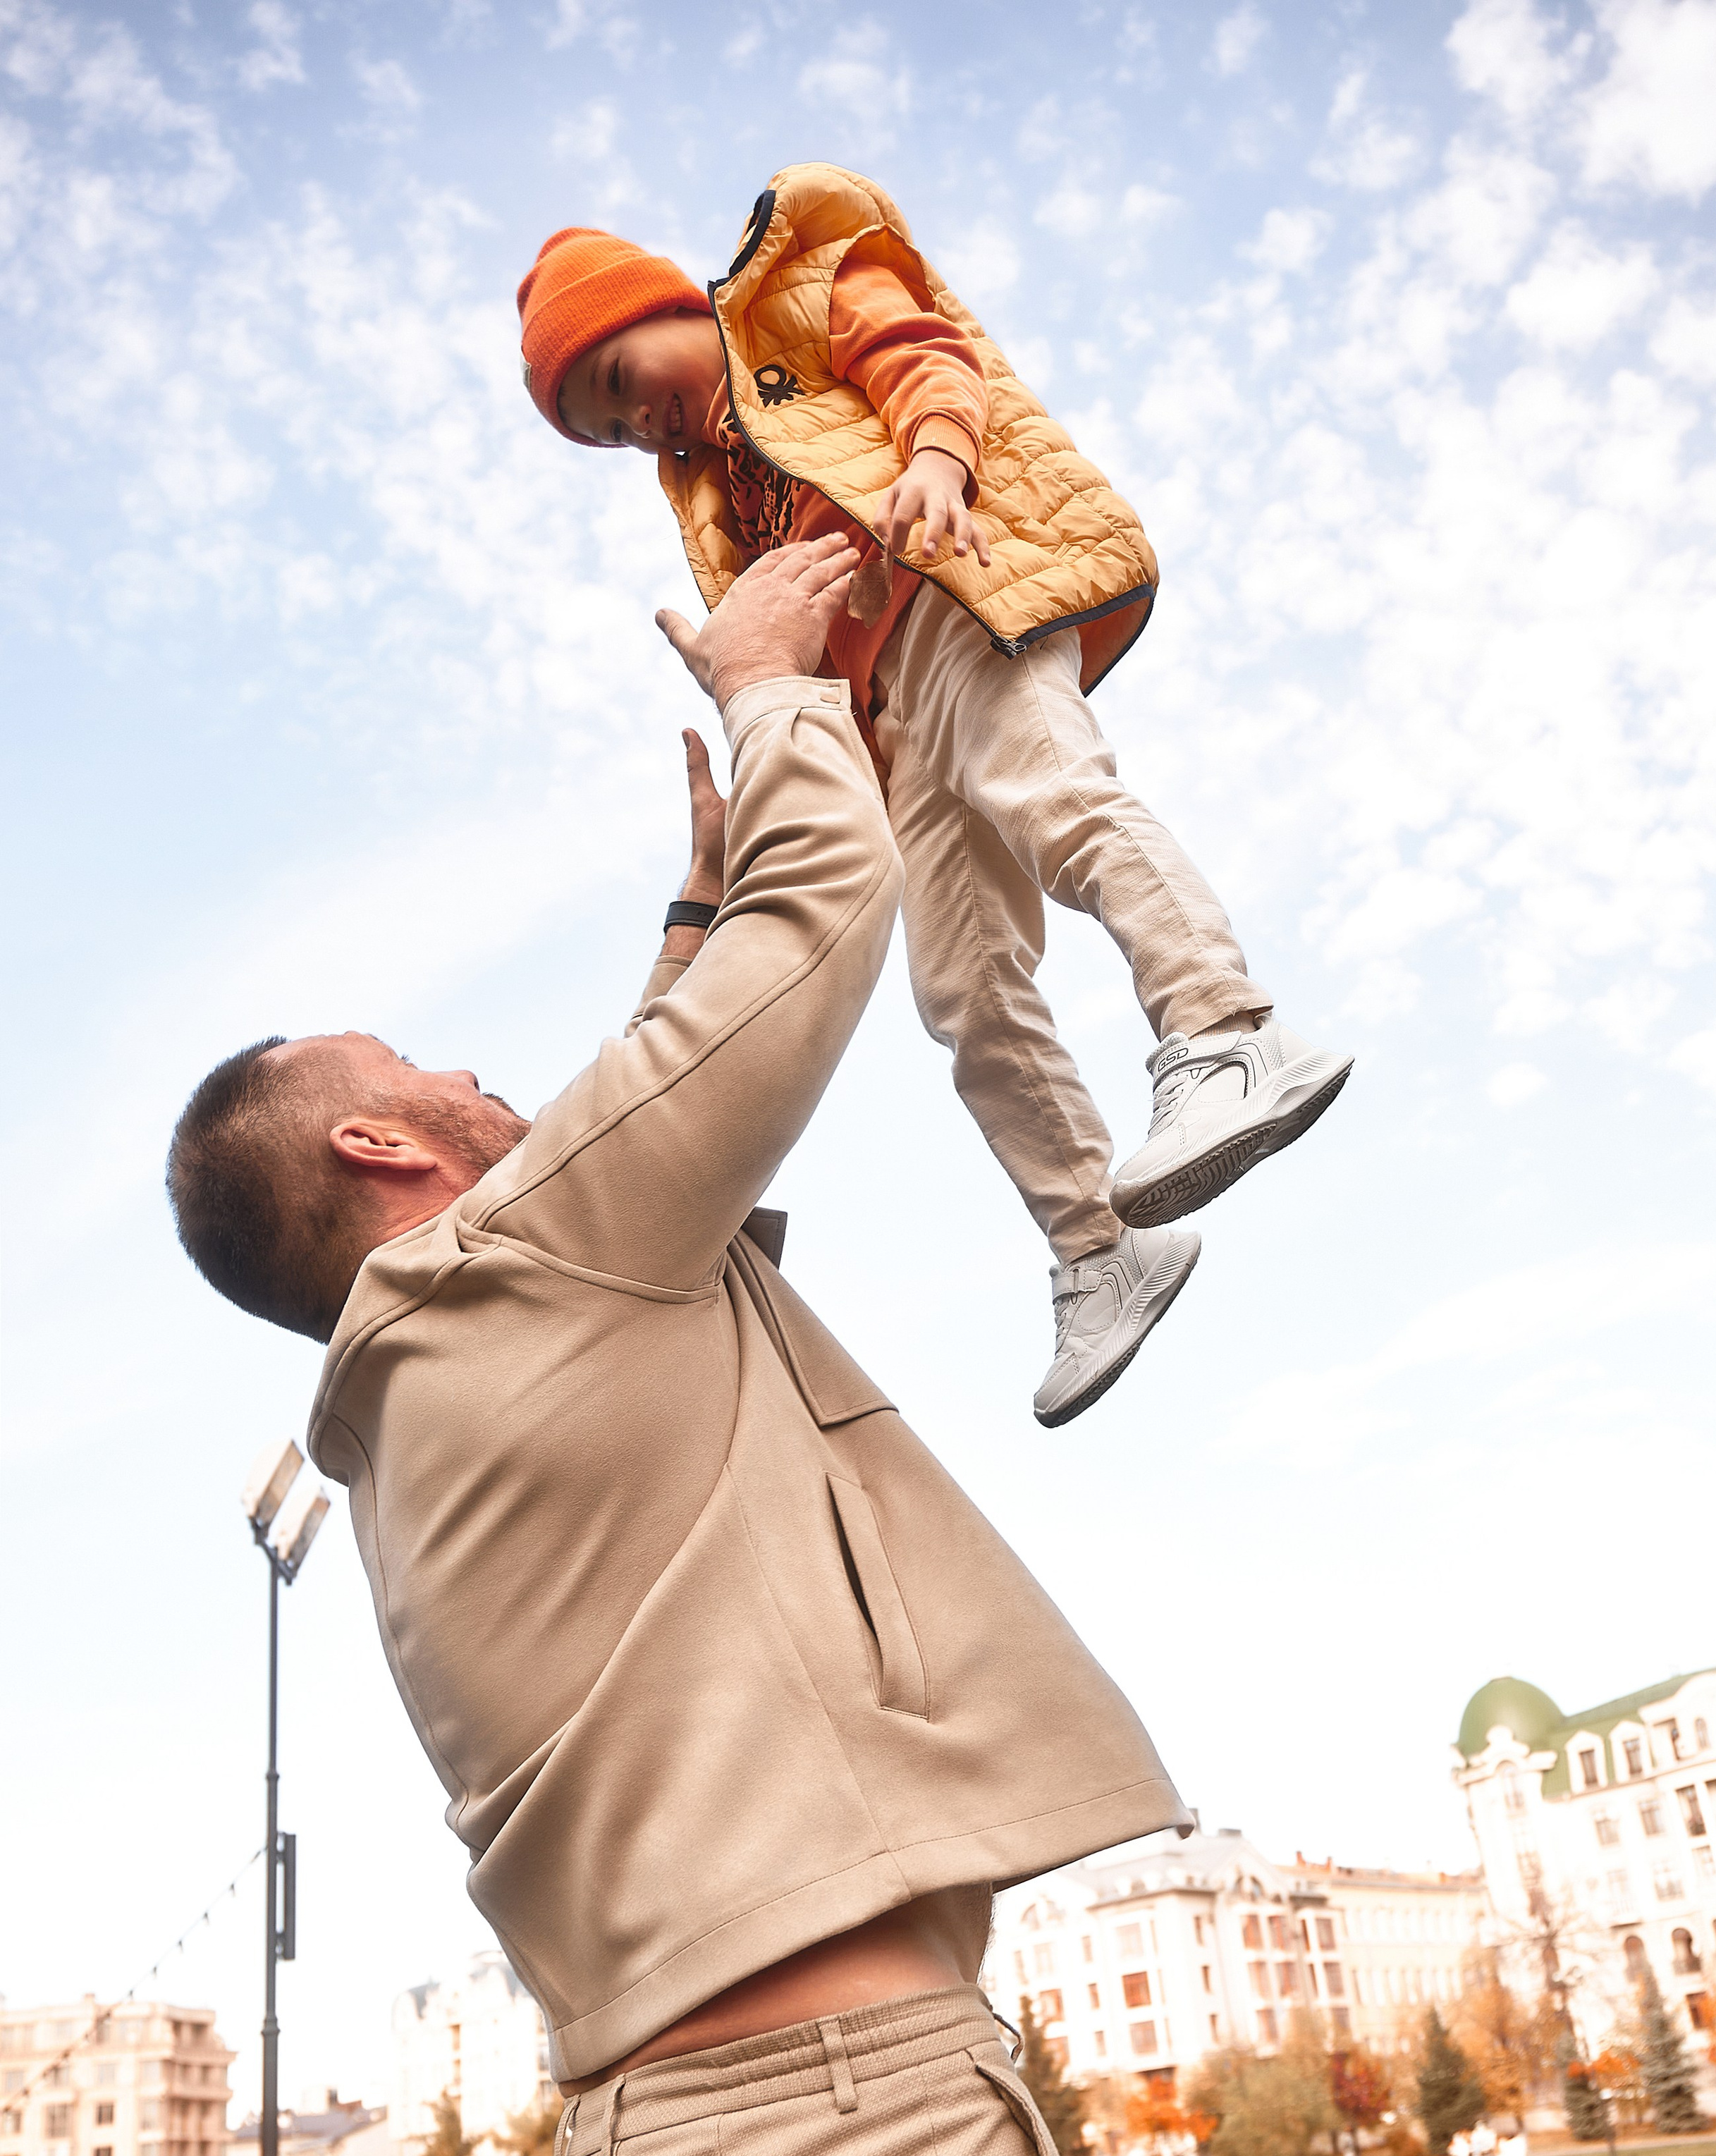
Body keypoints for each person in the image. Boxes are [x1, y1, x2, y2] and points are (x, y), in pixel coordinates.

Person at [166, 538, 1180, 2156]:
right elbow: (817, 947)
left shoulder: (416, 1395)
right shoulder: (529, 1269)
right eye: (424, 1061)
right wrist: (770, 693)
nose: (473, 1070)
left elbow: (624, 1102)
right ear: (379, 1140)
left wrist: (683, 912)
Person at [516, 161, 1354, 1428]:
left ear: (670, 308)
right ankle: (1100, 1249)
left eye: (627, 388)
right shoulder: (716, 498)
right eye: (613, 433)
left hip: (961, 591)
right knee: (960, 993)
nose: (645, 429)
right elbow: (799, 646)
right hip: (895, 718)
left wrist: (942, 462)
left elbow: (927, 356)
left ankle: (1227, 1030)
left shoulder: (793, 299)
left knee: (1052, 792)